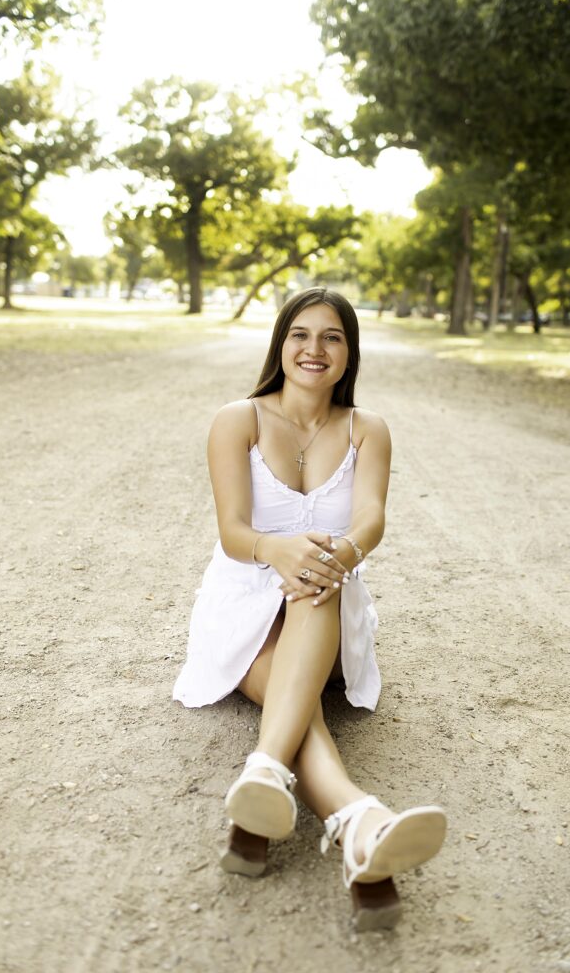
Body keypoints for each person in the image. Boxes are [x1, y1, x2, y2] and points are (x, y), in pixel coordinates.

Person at [173, 287, 446, 930]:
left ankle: (265, 777)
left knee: (321, 580)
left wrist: (340, 555)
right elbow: (234, 533)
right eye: (300, 334)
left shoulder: (366, 429)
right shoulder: (237, 419)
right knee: (307, 606)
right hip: (241, 605)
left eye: (332, 337)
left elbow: (371, 518)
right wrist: (278, 548)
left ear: (349, 352)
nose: (314, 349)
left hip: (327, 597)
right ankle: (357, 822)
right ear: (281, 343)